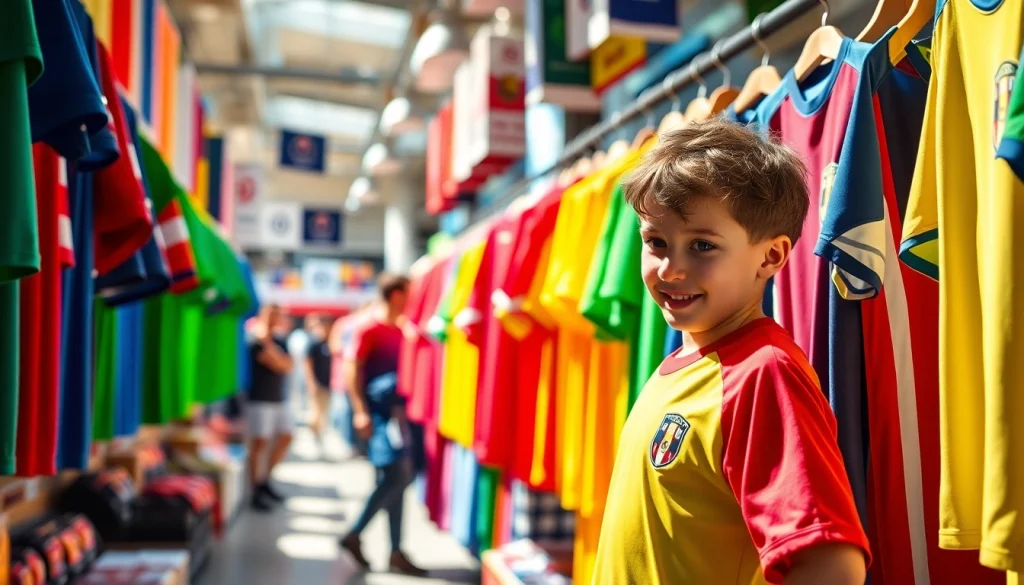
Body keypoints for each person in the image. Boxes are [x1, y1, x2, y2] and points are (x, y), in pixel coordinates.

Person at [590, 120, 870, 584]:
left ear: (771, 257)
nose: (670, 269)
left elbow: (832, 566)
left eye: (702, 245)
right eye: (656, 241)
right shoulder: (683, 366)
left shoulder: (764, 373)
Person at [338, 274, 426, 577]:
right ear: (397, 294)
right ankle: (355, 533)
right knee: (397, 473)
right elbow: (352, 370)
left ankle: (396, 551)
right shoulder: (368, 328)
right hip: (378, 414)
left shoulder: (403, 331)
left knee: (398, 477)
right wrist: (360, 411)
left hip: (399, 414)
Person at [246, 303, 295, 512]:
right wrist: (268, 346)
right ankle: (257, 487)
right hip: (259, 398)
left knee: (286, 436)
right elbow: (274, 361)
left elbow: (286, 365)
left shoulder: (278, 340)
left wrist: (270, 346)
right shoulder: (255, 341)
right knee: (260, 443)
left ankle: (265, 479)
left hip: (278, 399)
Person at [303, 314, 334, 448]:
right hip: (317, 384)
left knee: (324, 412)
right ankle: (314, 433)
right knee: (315, 412)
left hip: (328, 384)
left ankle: (318, 434)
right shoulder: (314, 343)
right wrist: (311, 383)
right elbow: (308, 364)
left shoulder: (330, 343)